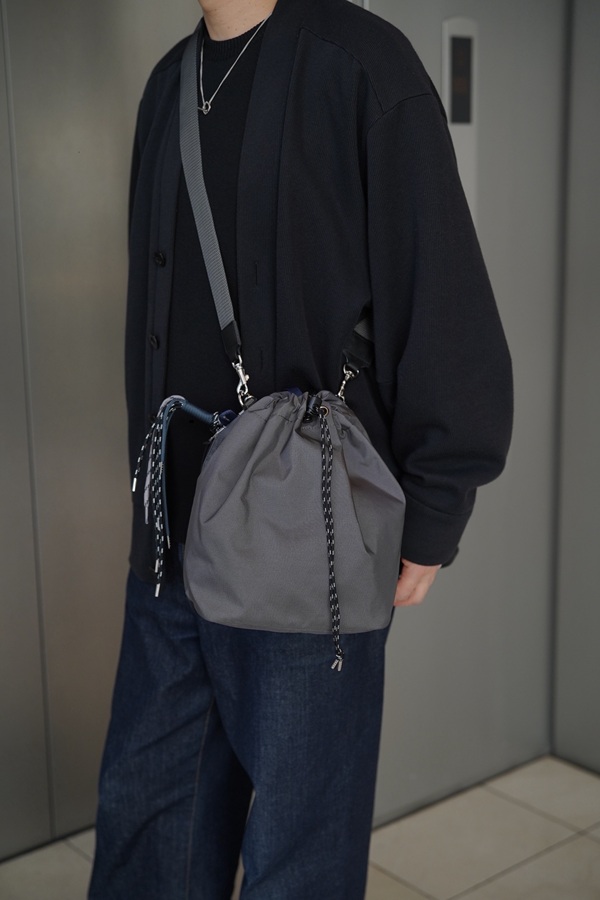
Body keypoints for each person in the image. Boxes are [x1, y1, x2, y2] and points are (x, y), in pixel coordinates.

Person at [89, 0, 513, 897]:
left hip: (304, 550)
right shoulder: (168, 84)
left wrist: (437, 507)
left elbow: (441, 294)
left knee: (300, 859)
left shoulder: (361, 64)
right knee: (147, 838)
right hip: (168, 552)